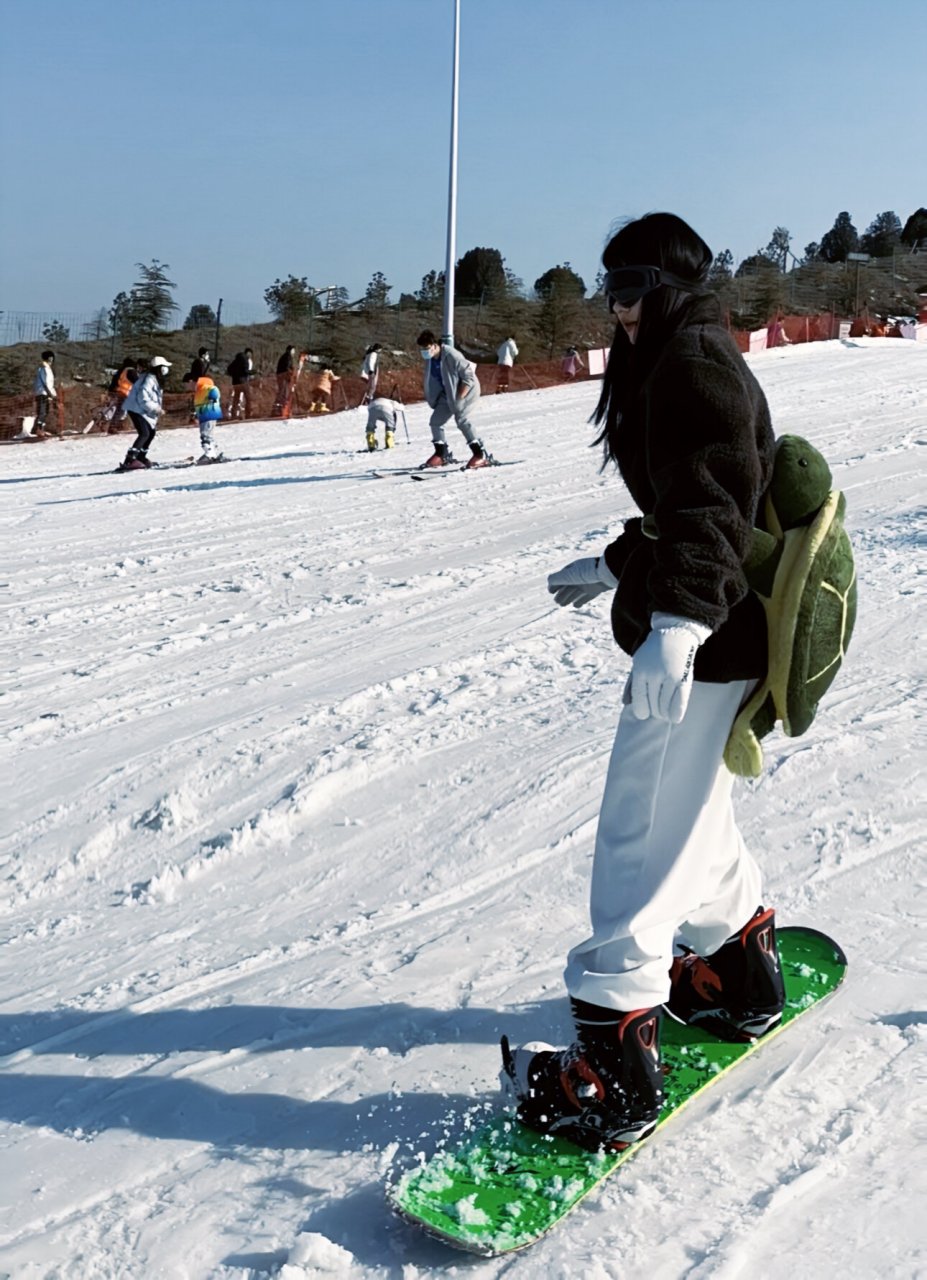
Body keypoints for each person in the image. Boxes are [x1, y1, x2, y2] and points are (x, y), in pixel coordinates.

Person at [503, 212, 785, 1153]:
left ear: (667, 287)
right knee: (688, 811)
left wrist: (678, 622)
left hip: (703, 635)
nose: (617, 309)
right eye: (609, 290)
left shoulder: (694, 358)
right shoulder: (676, 352)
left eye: (631, 290)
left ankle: (612, 1071)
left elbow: (715, 499)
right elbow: (680, 505)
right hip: (711, 625)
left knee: (636, 830)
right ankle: (738, 969)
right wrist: (616, 563)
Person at [417, 329, 491, 468]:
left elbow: (468, 377)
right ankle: (441, 454)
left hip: (466, 391)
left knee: (461, 419)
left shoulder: (452, 355)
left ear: (434, 345)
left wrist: (460, 398)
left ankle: (479, 454)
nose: (424, 352)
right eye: (422, 349)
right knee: (436, 422)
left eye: (426, 348)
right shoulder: (430, 359)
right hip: (448, 394)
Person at [118, 356, 171, 470]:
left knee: (150, 433)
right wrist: (155, 409)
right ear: (160, 368)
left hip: (140, 409)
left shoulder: (153, 379)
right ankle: (130, 460)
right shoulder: (149, 379)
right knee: (144, 433)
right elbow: (143, 398)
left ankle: (141, 457)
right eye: (165, 367)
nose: (166, 369)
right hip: (136, 409)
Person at [193, 376, 224, 463]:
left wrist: (213, 397)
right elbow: (199, 404)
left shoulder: (206, 387)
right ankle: (213, 451)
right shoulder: (199, 390)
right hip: (204, 415)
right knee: (207, 433)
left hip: (209, 414)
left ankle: (209, 452)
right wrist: (196, 414)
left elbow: (215, 391)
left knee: (205, 434)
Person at [32, 350, 58, 439]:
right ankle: (38, 430)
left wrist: (54, 394)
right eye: (51, 358)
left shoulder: (48, 368)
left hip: (46, 393)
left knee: (45, 411)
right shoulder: (44, 368)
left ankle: (41, 429)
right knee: (42, 412)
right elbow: (45, 382)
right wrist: (50, 394)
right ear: (49, 358)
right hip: (43, 393)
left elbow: (51, 384)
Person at [108, 358, 138, 431]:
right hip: (125, 393)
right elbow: (137, 382)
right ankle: (113, 426)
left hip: (119, 392)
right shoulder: (131, 371)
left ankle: (118, 425)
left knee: (121, 410)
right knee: (121, 410)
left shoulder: (122, 370)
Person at [227, 349, 254, 419]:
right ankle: (248, 414)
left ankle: (234, 414)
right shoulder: (245, 360)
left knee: (236, 398)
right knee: (248, 398)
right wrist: (252, 372)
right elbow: (245, 371)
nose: (250, 356)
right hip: (243, 382)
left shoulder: (236, 360)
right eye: (250, 354)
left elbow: (229, 369)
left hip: (235, 382)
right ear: (247, 353)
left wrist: (234, 375)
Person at [274, 345, 297, 414]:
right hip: (283, 376)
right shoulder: (288, 357)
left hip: (281, 376)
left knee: (282, 392)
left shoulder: (285, 357)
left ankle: (279, 408)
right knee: (284, 392)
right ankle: (281, 409)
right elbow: (287, 367)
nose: (294, 352)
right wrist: (291, 373)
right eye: (293, 350)